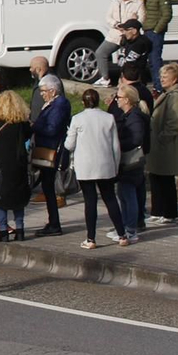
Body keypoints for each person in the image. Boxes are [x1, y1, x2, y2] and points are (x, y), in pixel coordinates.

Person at [63, 87, 127, 248]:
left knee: (90, 201)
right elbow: (115, 146)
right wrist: (116, 165)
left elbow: (69, 145)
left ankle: (91, 239)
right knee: (110, 199)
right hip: (106, 165)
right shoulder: (109, 118)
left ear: (83, 102)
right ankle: (122, 235)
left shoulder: (77, 119)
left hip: (85, 166)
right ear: (98, 101)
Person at [0, 88, 33, 241]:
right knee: (18, 198)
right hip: (18, 165)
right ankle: (20, 229)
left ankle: (3, 230)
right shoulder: (21, 123)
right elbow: (29, 134)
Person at [147, 62, 178, 225]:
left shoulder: (176, 96)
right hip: (158, 145)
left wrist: (162, 138)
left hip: (166, 145)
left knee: (166, 180)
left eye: (166, 76)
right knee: (156, 178)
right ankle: (157, 211)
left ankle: (169, 212)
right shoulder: (167, 94)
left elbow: (175, 122)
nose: (162, 79)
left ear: (175, 78)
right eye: (161, 76)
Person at [31, 74, 71, 235]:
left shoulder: (59, 105)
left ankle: (54, 223)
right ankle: (53, 222)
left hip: (51, 150)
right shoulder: (53, 104)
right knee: (46, 186)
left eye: (44, 91)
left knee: (48, 187)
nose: (42, 94)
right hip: (48, 149)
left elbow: (52, 128)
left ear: (53, 91)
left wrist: (34, 126)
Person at [111, 83, 149, 243]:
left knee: (128, 194)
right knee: (124, 194)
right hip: (128, 160)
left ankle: (130, 229)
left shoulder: (134, 117)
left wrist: (118, 143)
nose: (116, 100)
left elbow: (136, 139)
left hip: (131, 161)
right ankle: (127, 225)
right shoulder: (129, 115)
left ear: (126, 100)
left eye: (118, 97)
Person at [94, 0, 144, 77]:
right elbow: (108, 17)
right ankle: (104, 78)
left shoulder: (139, 2)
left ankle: (126, 79)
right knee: (100, 53)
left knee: (126, 60)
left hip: (129, 37)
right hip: (115, 35)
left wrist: (128, 26)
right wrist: (115, 24)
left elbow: (141, 20)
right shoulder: (116, 1)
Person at [139, 0, 172, 71]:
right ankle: (156, 84)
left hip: (155, 33)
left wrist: (156, 30)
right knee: (150, 60)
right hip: (147, 32)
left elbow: (167, 15)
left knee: (155, 60)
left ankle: (159, 85)